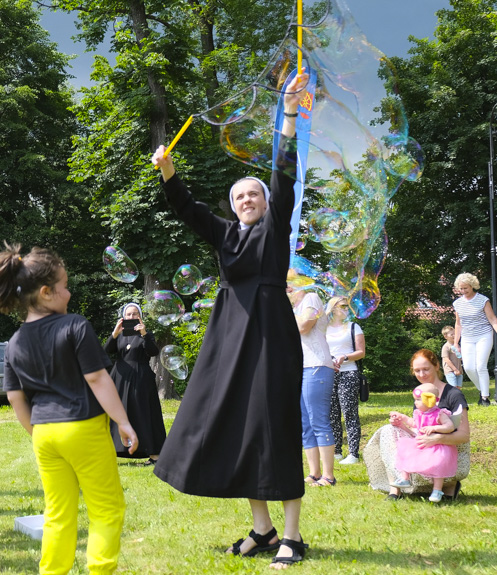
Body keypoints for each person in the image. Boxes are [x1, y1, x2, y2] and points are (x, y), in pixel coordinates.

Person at [151, 71, 310, 569]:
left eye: (254, 196)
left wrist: (287, 114)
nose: (247, 202)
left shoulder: (275, 230)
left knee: (274, 426)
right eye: (240, 197)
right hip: (228, 337)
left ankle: (291, 536)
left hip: (270, 334)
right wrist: (168, 170)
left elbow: (284, 173)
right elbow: (186, 208)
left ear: (266, 205)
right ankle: (261, 531)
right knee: (239, 426)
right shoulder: (224, 236)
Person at [0, 243, 138, 575]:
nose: (68, 294)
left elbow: (15, 398)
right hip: (82, 428)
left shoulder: (13, 342)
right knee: (106, 509)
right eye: (65, 286)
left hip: (44, 435)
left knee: (57, 513)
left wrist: (37, 432)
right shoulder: (75, 326)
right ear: (46, 293)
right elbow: (97, 379)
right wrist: (123, 421)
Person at [363, 349, 471, 501]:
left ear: (437, 366)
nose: (422, 374)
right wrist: (401, 425)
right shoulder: (420, 394)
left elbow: (464, 435)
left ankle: (447, 486)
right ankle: (395, 489)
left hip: (446, 448)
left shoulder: (453, 395)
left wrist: (437, 438)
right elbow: (418, 429)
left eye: (426, 369)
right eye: (417, 371)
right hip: (424, 445)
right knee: (388, 430)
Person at [104, 303, 165, 465]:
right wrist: (114, 334)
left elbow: (153, 352)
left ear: (140, 316)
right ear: (124, 317)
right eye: (128, 315)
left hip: (141, 379)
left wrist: (144, 334)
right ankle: (112, 450)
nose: (131, 317)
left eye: (135, 314)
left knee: (143, 412)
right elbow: (106, 351)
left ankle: (154, 455)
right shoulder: (120, 334)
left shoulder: (146, 334)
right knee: (119, 413)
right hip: (120, 379)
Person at [290, 288, 336, 487]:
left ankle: (329, 476)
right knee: (305, 423)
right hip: (301, 367)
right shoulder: (295, 307)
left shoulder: (311, 298)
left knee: (318, 421)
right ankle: (314, 473)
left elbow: (303, 327)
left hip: (316, 366)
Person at [389, 383, 457, 503]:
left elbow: (449, 426)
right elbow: (415, 424)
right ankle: (405, 478)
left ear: (430, 400)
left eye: (419, 400)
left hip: (436, 445)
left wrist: (435, 428)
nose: (416, 402)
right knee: (406, 450)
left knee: (438, 462)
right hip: (420, 442)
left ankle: (437, 490)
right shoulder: (419, 413)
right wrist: (403, 417)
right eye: (415, 400)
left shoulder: (439, 414)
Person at [452, 273, 497, 406]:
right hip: (467, 337)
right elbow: (458, 324)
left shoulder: (482, 300)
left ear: (472, 286)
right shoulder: (457, 303)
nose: (463, 291)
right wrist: (455, 343)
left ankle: (484, 398)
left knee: (481, 366)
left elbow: (493, 319)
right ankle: (482, 390)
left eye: (466, 288)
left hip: (484, 335)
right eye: (461, 288)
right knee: (469, 368)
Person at [326, 296, 365, 466]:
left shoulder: (353, 327)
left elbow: (361, 352)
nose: (346, 309)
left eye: (347, 306)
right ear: (333, 308)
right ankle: (336, 451)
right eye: (342, 306)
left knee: (349, 412)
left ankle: (353, 453)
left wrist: (344, 357)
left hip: (348, 373)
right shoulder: (324, 328)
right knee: (332, 414)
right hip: (328, 373)